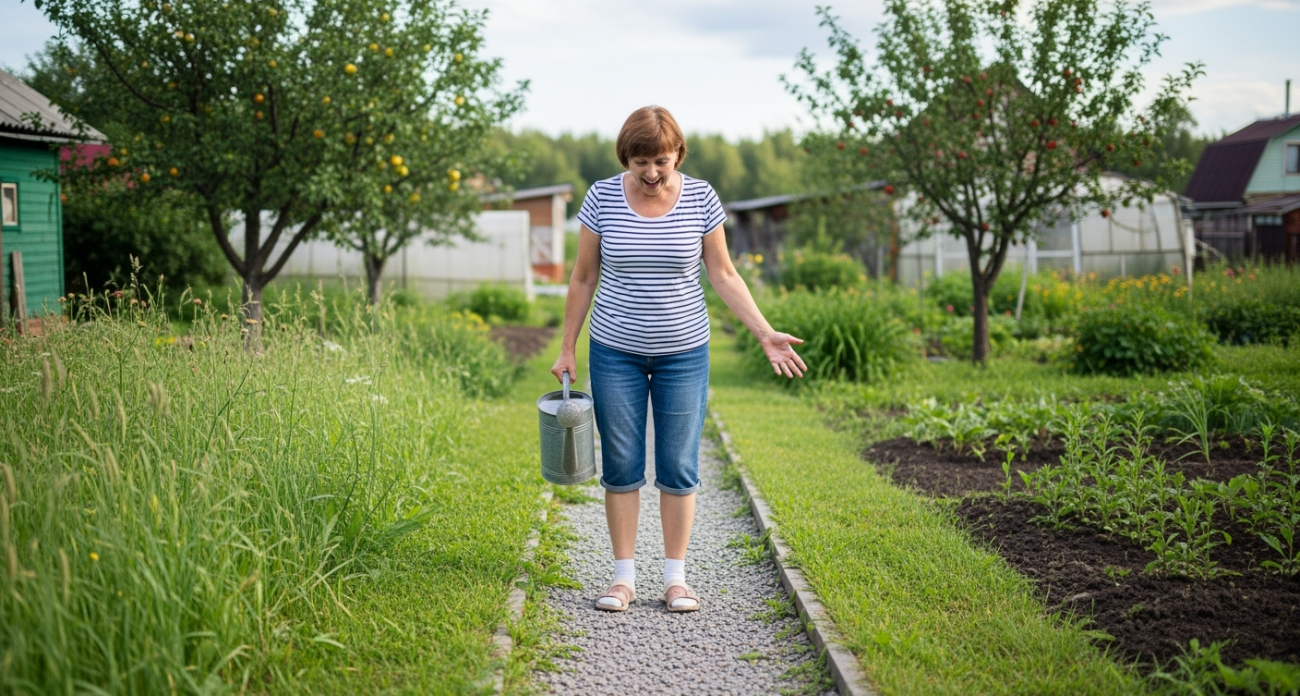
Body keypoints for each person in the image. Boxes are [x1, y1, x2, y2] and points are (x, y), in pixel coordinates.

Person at [551, 106, 806, 613]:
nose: (650, 173)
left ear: (678, 155)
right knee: (621, 465)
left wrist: (763, 333)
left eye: (661, 161)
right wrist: (566, 347)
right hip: (614, 350)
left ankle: (676, 580)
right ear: (626, 156)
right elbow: (583, 277)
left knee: (678, 464)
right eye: (640, 161)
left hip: (685, 351)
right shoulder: (602, 196)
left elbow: (725, 274)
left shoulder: (701, 198)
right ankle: (623, 579)